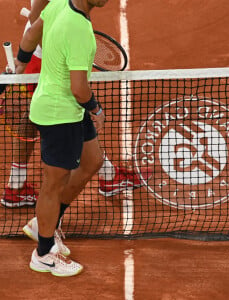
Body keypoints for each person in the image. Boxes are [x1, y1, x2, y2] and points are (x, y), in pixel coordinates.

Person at [15, 0, 150, 277]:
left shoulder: (57, 5)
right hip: (59, 114)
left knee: (92, 161)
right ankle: (43, 253)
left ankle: (44, 225)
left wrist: (18, 66)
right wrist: (96, 109)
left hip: (71, 109)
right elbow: (79, 88)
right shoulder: (78, 29)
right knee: (54, 183)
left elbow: (30, 36)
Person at [1, 0, 151, 210]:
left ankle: (16, 186)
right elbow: (36, 16)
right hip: (48, 55)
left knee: (34, 113)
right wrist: (61, 45)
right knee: (72, 109)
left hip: (41, 48)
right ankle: (108, 176)